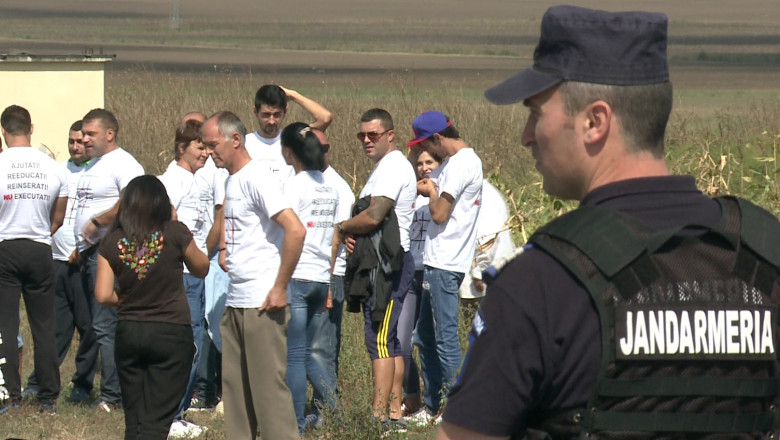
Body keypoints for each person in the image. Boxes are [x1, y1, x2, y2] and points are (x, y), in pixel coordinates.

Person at [438, 6, 780, 440]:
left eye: (536, 113)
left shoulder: (540, 283)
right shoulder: (766, 257)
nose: (526, 135)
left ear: (594, 122)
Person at [202, 111, 304, 440]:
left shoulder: (257, 177)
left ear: (235, 139)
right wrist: (226, 251)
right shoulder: (231, 180)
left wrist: (280, 286)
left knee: (268, 395)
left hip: (262, 301)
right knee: (236, 394)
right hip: (237, 299)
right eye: (204, 145)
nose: (208, 152)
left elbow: (295, 230)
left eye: (213, 144)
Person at [95, 175, 209, 439]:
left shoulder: (112, 241)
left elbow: (103, 294)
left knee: (134, 420)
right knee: (156, 423)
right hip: (170, 333)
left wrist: (128, 298)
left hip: (129, 332)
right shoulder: (175, 232)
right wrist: (176, 223)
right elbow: (202, 267)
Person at [339, 108, 416, 428]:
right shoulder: (383, 168)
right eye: (362, 135)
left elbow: (374, 215)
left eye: (373, 134)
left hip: (389, 267)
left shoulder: (393, 167)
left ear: (390, 135)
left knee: (379, 339)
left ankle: (378, 416)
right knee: (390, 340)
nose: (367, 140)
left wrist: (343, 227)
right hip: (382, 264)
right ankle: (394, 413)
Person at [406, 111, 483, 425]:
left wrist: (431, 193)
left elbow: (439, 214)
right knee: (424, 336)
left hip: (446, 263)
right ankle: (432, 406)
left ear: (437, 138)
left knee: (444, 337)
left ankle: (455, 410)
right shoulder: (455, 163)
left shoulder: (463, 164)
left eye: (425, 145)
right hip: (436, 261)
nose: (424, 152)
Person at [75, 108, 145, 411]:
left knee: (106, 325)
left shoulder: (124, 163)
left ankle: (112, 396)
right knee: (95, 324)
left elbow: (132, 200)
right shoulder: (94, 164)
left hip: (108, 254)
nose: (85, 139)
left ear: (109, 134)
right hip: (87, 253)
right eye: (84, 134)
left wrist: (98, 221)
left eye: (91, 134)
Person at [24, 120, 98, 404]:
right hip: (55, 260)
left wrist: (84, 248)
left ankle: (83, 385)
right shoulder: (57, 171)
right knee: (55, 327)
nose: (76, 147)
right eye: (71, 141)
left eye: (81, 142)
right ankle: (40, 382)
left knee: (89, 327)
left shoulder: (97, 173)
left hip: (84, 261)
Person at [0, 105, 68, 414]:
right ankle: (49, 397)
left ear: (3, 131)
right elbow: (59, 218)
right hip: (40, 247)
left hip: (6, 247)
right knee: (44, 326)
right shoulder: (54, 168)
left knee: (6, 324)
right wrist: (40, 232)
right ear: (31, 128)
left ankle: (10, 395)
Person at [278, 122, 340, 434]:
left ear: (289, 152)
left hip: (298, 276)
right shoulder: (329, 186)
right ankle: (339, 416)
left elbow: (284, 231)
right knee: (312, 355)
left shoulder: (293, 186)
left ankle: (296, 425)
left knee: (294, 357)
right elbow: (334, 237)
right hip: (320, 276)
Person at [157, 119, 215, 437]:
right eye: (199, 147)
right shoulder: (173, 180)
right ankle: (171, 416)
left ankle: (177, 411)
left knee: (195, 340)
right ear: (182, 148)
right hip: (181, 274)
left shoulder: (196, 179)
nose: (205, 152)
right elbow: (167, 220)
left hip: (196, 273)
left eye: (207, 147)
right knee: (188, 344)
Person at [305, 128, 355, 430]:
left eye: (323, 148)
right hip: (308, 273)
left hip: (329, 275)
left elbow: (339, 237)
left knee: (322, 347)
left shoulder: (337, 187)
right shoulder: (305, 182)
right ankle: (319, 407)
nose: (317, 153)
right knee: (314, 346)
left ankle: (329, 412)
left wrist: (326, 280)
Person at [398, 147, 443, 417]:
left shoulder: (445, 194)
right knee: (401, 342)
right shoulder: (409, 194)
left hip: (431, 270)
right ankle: (412, 396)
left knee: (428, 340)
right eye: (419, 163)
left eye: (430, 162)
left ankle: (435, 401)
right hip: (408, 271)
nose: (424, 167)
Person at [246, 85, 333, 180]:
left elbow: (325, 118)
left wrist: (293, 95)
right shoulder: (245, 143)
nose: (272, 121)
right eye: (266, 115)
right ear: (255, 112)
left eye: (277, 115)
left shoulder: (295, 138)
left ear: (285, 112)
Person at [457, 179, 515, 306]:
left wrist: (478, 274)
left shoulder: (480, 193)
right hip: (489, 272)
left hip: (481, 279)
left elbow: (487, 237)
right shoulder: (485, 190)